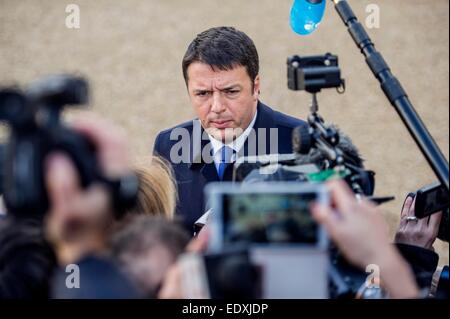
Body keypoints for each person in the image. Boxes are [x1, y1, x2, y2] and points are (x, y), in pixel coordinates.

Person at [153, 26, 308, 232]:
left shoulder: (303, 142)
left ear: (256, 87)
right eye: (202, 94)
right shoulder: (167, 145)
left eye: (230, 91)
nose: (217, 107)